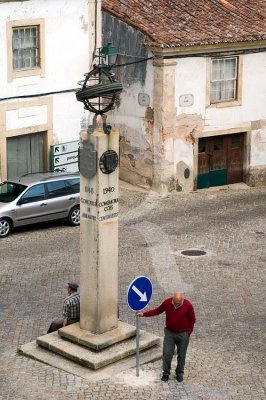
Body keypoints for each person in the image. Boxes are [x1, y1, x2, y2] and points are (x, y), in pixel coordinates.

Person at [136, 292, 195, 382]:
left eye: (178, 303)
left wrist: (188, 333)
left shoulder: (188, 305)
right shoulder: (167, 303)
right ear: (173, 299)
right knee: (167, 354)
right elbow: (157, 311)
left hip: (183, 334)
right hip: (170, 333)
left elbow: (192, 320)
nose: (176, 304)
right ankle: (166, 373)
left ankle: (179, 373)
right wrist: (143, 314)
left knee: (181, 355)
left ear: (182, 299)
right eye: (175, 302)